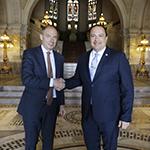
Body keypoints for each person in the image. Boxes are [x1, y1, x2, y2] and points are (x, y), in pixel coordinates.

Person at [62, 25, 134, 150]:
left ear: (106, 38)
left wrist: (126, 116)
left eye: (100, 35)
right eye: (93, 36)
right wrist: (61, 83)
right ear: (89, 38)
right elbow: (78, 79)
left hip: (110, 115)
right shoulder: (83, 57)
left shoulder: (118, 57)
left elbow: (128, 88)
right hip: (88, 114)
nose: (96, 39)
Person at [17, 25, 65, 150]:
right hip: (32, 106)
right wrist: (51, 82)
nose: (51, 40)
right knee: (31, 143)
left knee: (48, 142)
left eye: (55, 37)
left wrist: (61, 103)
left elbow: (59, 81)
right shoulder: (30, 54)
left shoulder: (59, 58)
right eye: (48, 36)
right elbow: (27, 80)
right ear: (41, 37)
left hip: (52, 105)